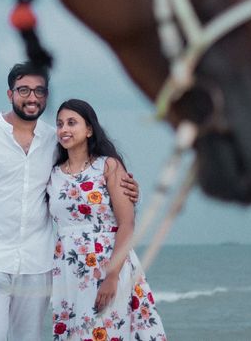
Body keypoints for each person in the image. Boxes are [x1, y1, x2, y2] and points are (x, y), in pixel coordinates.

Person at [0, 63, 139, 341]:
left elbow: (81, 180)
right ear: (10, 94)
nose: (32, 97)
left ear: (46, 96)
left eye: (39, 91)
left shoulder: (54, 139)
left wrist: (126, 189)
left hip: (39, 261)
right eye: (24, 90)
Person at [49, 98, 167, 341]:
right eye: (60, 124)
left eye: (72, 123)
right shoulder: (53, 174)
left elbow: (127, 223)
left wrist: (111, 276)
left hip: (108, 263)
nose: (64, 129)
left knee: (110, 331)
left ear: (89, 129)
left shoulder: (108, 166)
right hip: (69, 271)